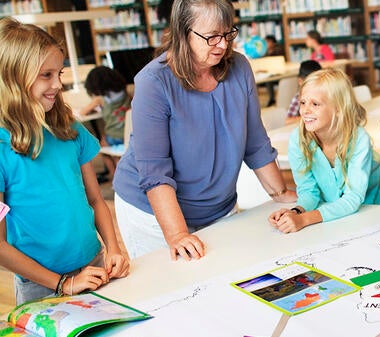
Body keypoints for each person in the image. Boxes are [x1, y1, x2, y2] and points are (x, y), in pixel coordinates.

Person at [112, 0, 296, 261]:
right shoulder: (153, 82)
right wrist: (177, 235)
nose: (222, 44)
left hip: (219, 208)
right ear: (182, 33)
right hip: (153, 215)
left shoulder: (240, 68)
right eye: (211, 37)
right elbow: (154, 171)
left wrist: (282, 195)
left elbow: (255, 141)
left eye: (227, 33)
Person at [0, 17, 129, 304]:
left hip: (94, 267)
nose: (58, 84)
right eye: (46, 75)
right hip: (41, 285)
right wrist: (63, 284)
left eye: (59, 72)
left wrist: (114, 249)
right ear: (14, 78)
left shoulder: (70, 129)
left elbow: (96, 200)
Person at [269, 68, 380, 233]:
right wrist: (296, 212)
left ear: (338, 108)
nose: (305, 111)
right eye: (303, 102)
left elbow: (353, 198)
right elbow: (308, 191)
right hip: (344, 207)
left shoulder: (358, 139)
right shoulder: (298, 139)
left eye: (315, 104)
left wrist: (304, 220)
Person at [80, 66, 131, 179]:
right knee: (114, 147)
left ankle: (114, 176)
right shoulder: (124, 92)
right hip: (129, 133)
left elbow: (83, 112)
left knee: (102, 146)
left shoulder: (100, 99)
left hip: (114, 136)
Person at [264, 35, 285, 107]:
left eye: (267, 42)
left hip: (278, 73)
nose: (266, 44)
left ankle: (273, 98)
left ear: (273, 43)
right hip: (269, 73)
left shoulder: (278, 50)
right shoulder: (265, 51)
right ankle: (271, 98)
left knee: (269, 80)